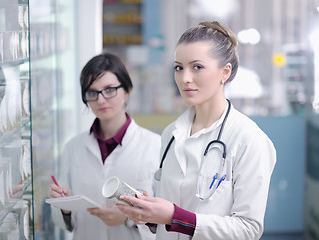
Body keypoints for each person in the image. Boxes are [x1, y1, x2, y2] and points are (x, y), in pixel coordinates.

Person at [117, 21, 277, 240]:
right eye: (178, 67)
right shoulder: (171, 134)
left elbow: (249, 229)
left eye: (197, 67)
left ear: (225, 72)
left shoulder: (248, 139)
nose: (185, 79)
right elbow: (171, 218)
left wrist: (176, 217)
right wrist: (151, 215)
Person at [50, 53, 161, 240]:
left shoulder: (155, 146)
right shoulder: (73, 148)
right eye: (92, 93)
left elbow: (166, 218)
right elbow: (66, 225)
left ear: (127, 90)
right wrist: (64, 208)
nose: (101, 100)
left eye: (109, 90)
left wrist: (129, 218)